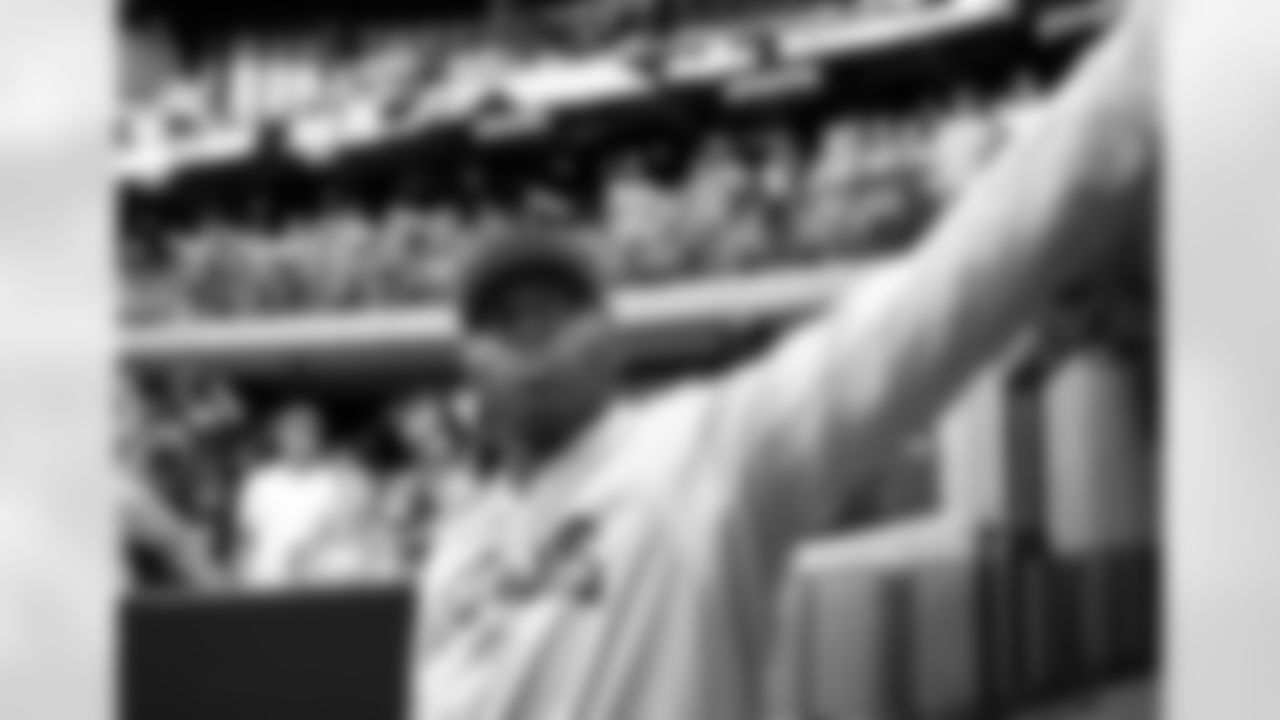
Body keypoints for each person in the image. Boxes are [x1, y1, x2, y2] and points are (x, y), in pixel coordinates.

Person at [418, 2, 1159, 719]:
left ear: (616, 341)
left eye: (560, 308)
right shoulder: (454, 554)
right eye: (502, 319)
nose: (531, 335)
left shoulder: (704, 451)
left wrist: (1151, 55)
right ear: (466, 365)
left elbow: (949, 290)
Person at [234, 403, 371, 588]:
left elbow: (349, 532)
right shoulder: (260, 482)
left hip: (324, 584)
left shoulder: (340, 480)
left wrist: (309, 552)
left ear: (318, 435)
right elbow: (247, 539)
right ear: (279, 436)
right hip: (268, 584)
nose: (300, 438)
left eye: (307, 431)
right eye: (292, 431)